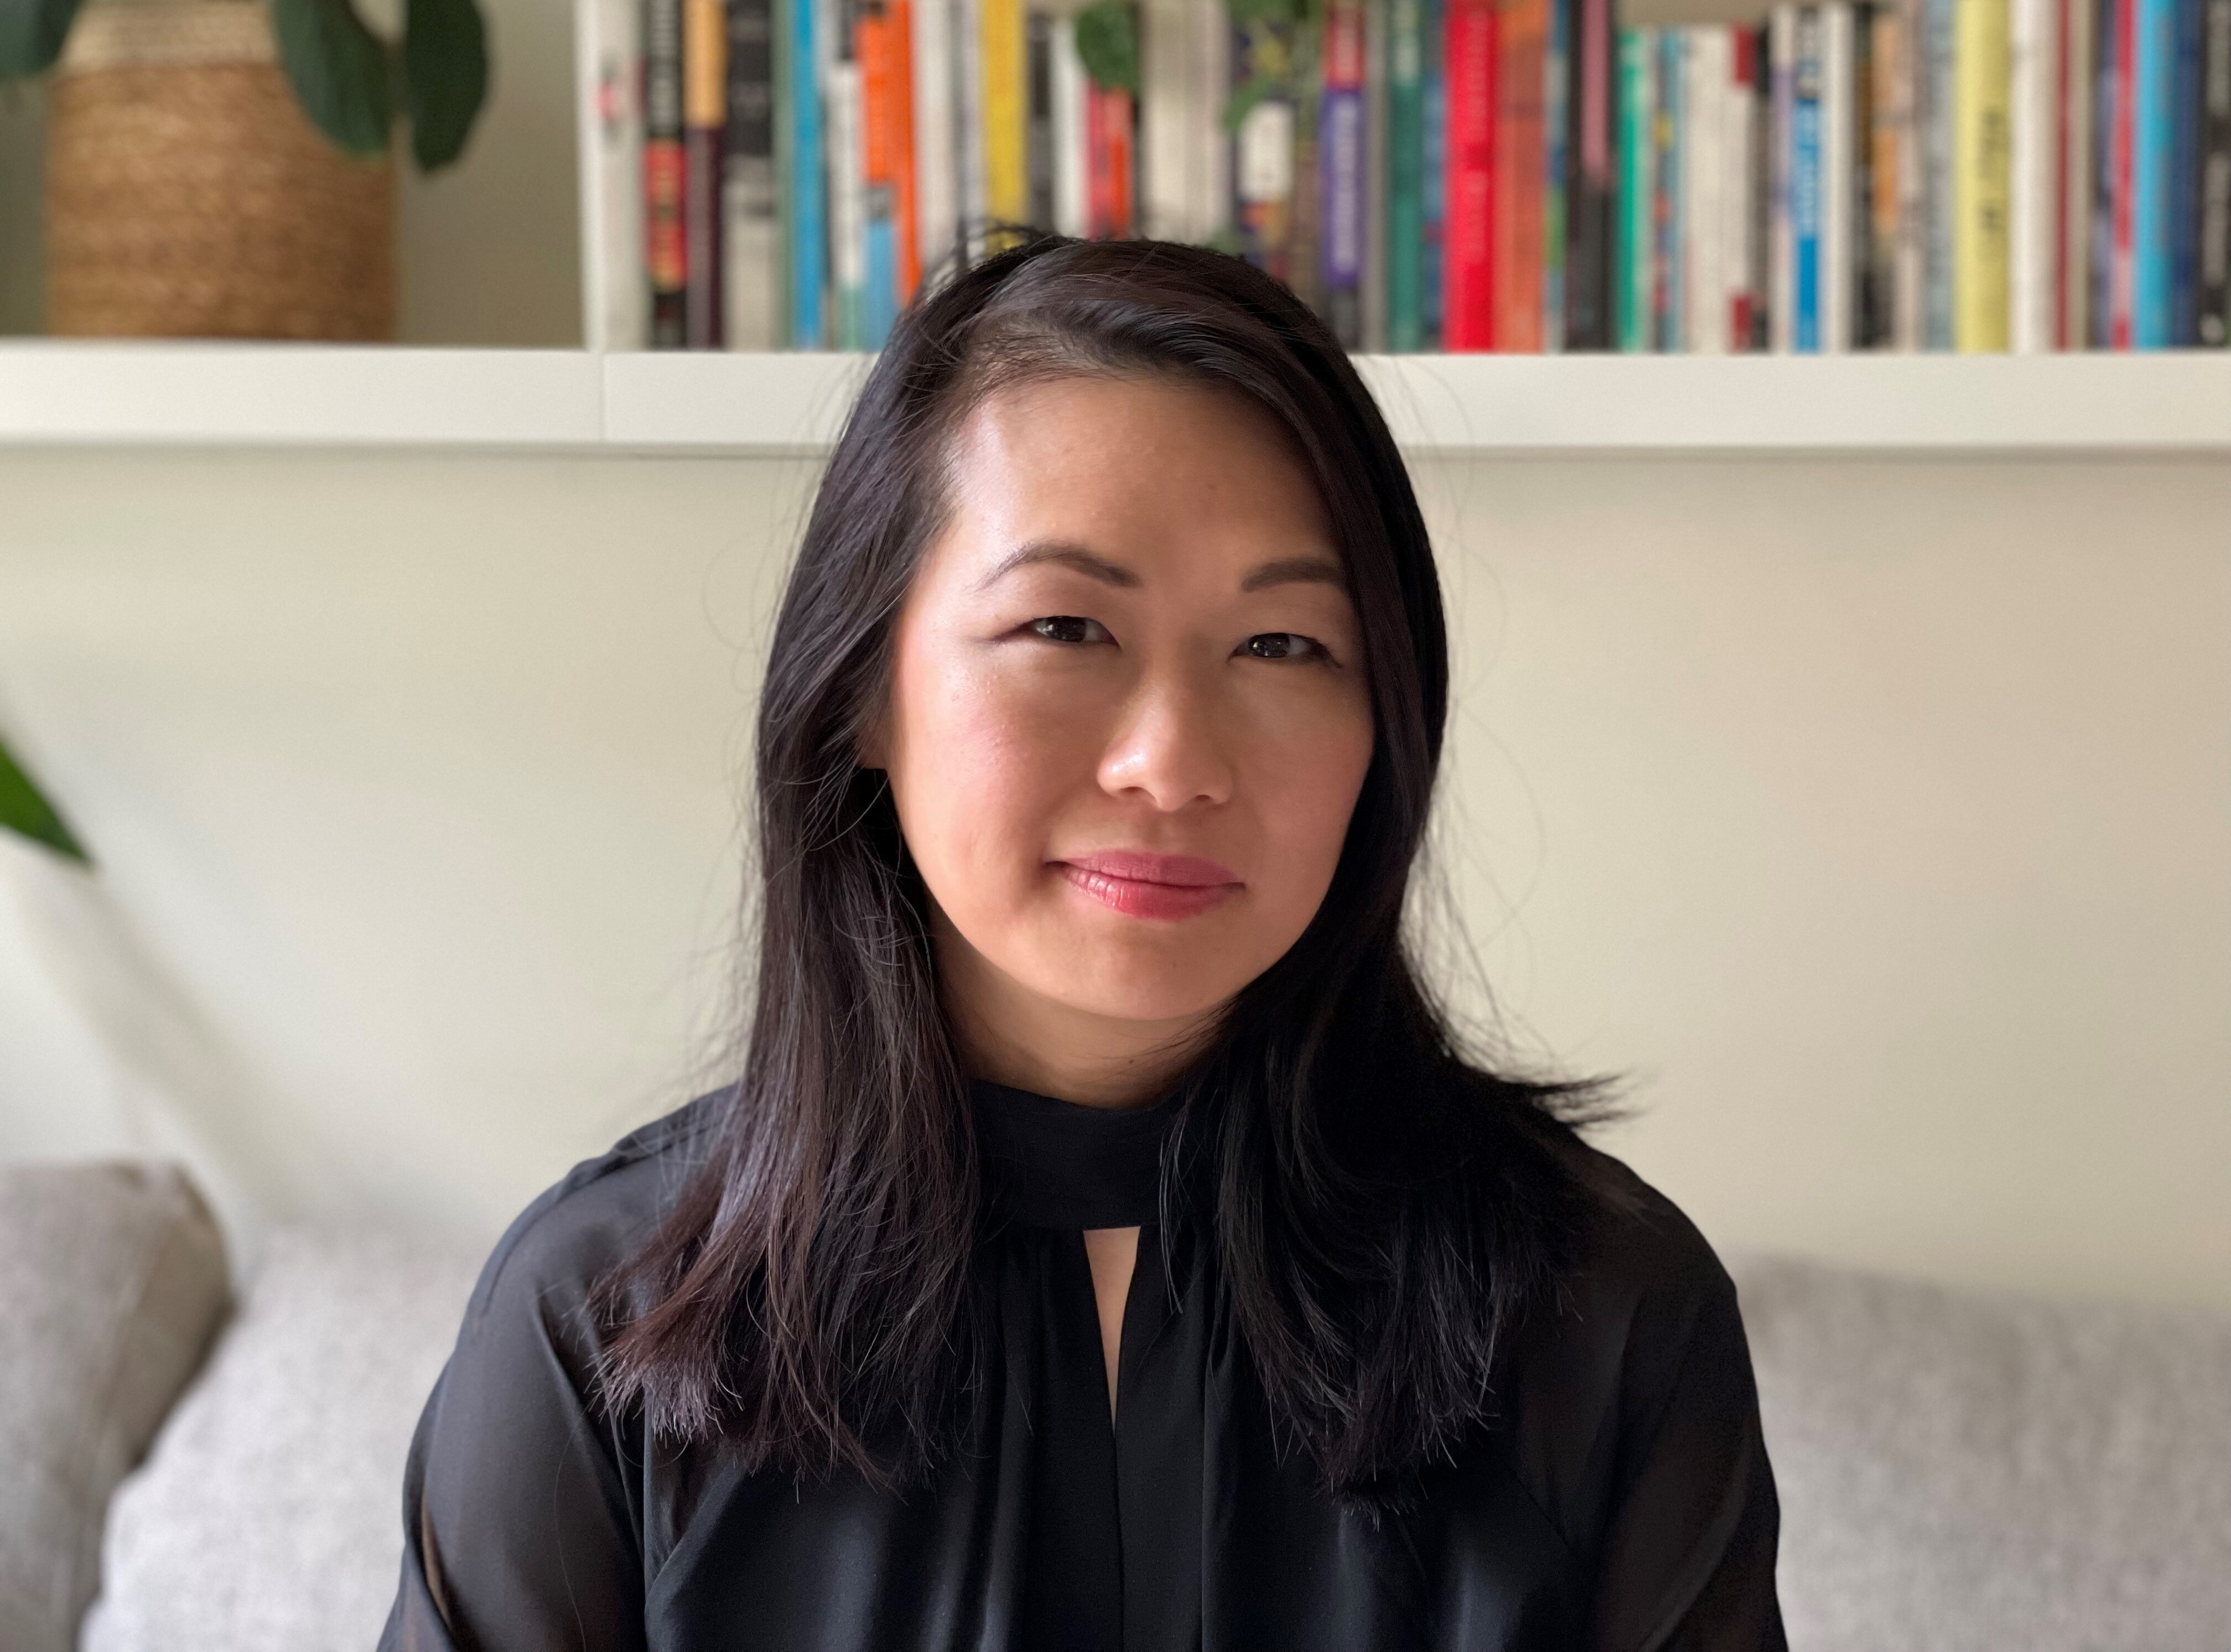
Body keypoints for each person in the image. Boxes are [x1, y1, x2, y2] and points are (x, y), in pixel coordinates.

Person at [378, 236, 1786, 1652]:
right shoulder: (598, 1325)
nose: (1171, 764)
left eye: (1283, 645)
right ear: (862, 689)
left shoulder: (1607, 1316)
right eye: (1065, 625)